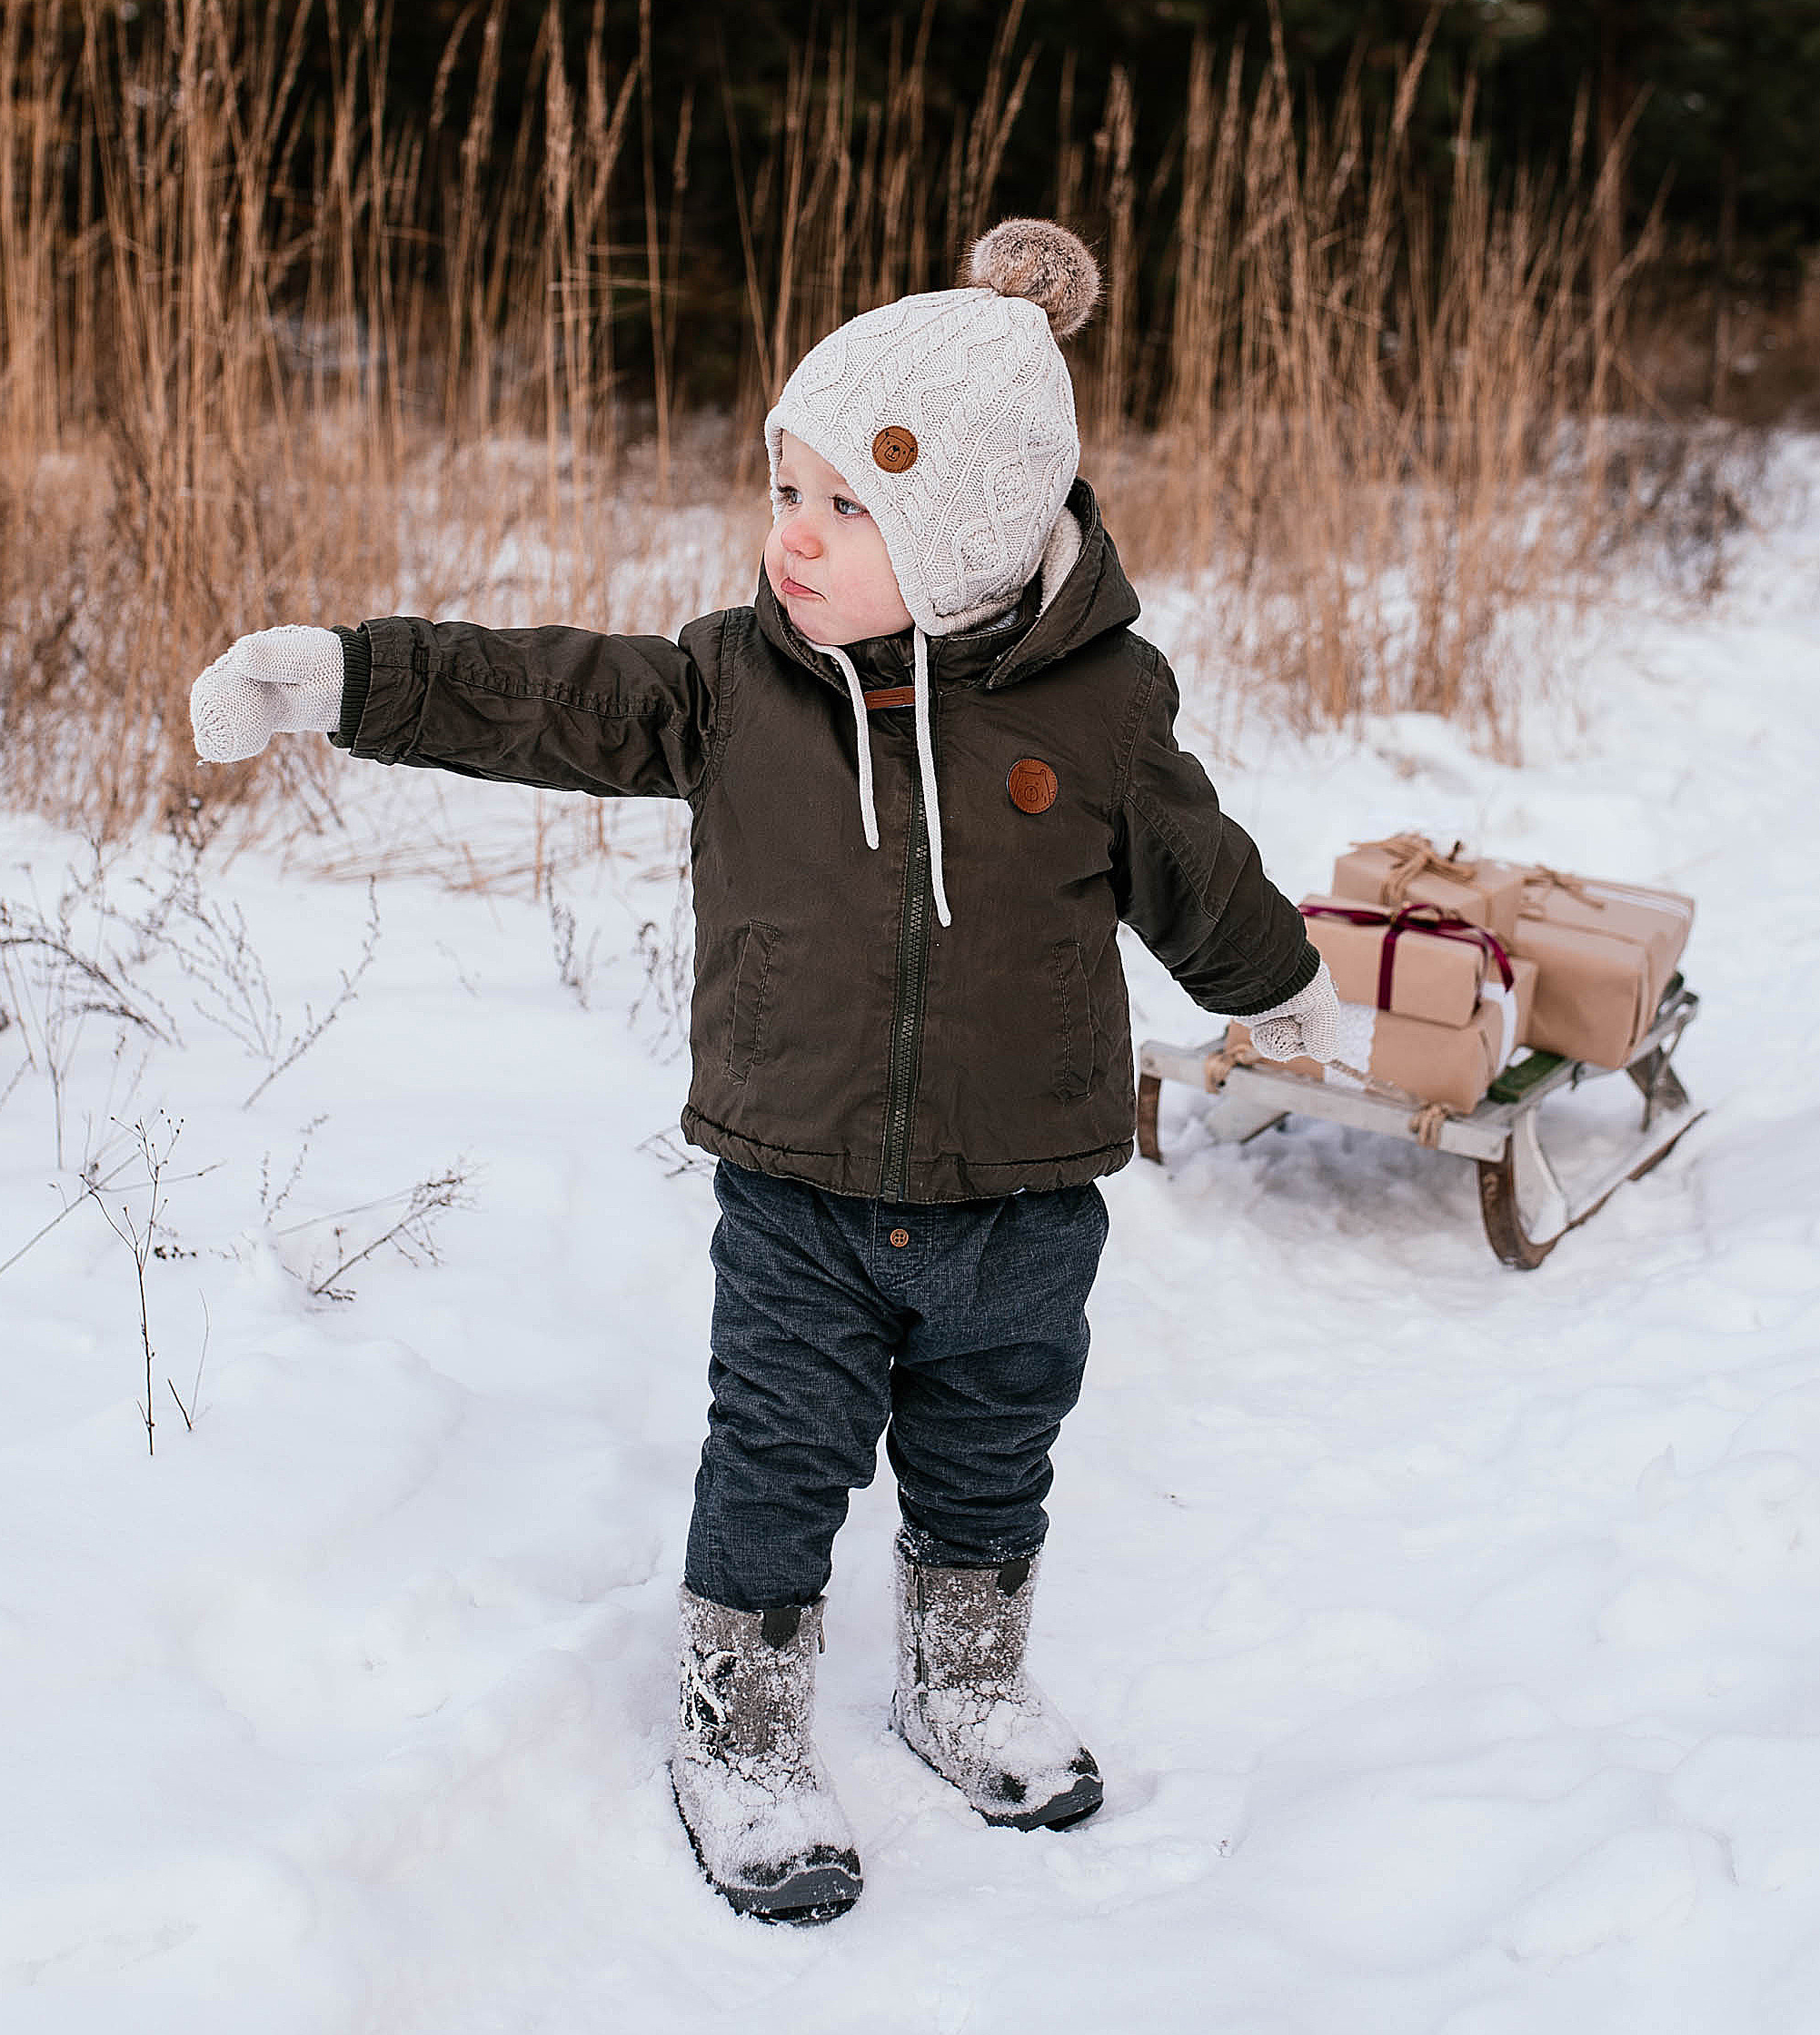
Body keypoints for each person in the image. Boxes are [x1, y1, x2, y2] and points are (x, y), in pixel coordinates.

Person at [190, 219, 1335, 1924]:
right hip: (796, 1181)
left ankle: (961, 1682)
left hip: (1025, 1192)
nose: (791, 539)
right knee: (777, 1458)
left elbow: (1193, 865)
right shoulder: (732, 688)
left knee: (991, 1452)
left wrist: (1276, 984)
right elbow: (541, 697)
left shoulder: (1098, 707)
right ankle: (740, 1731)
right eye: (781, 492)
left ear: (968, 534)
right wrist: (350, 678)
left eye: (843, 508)